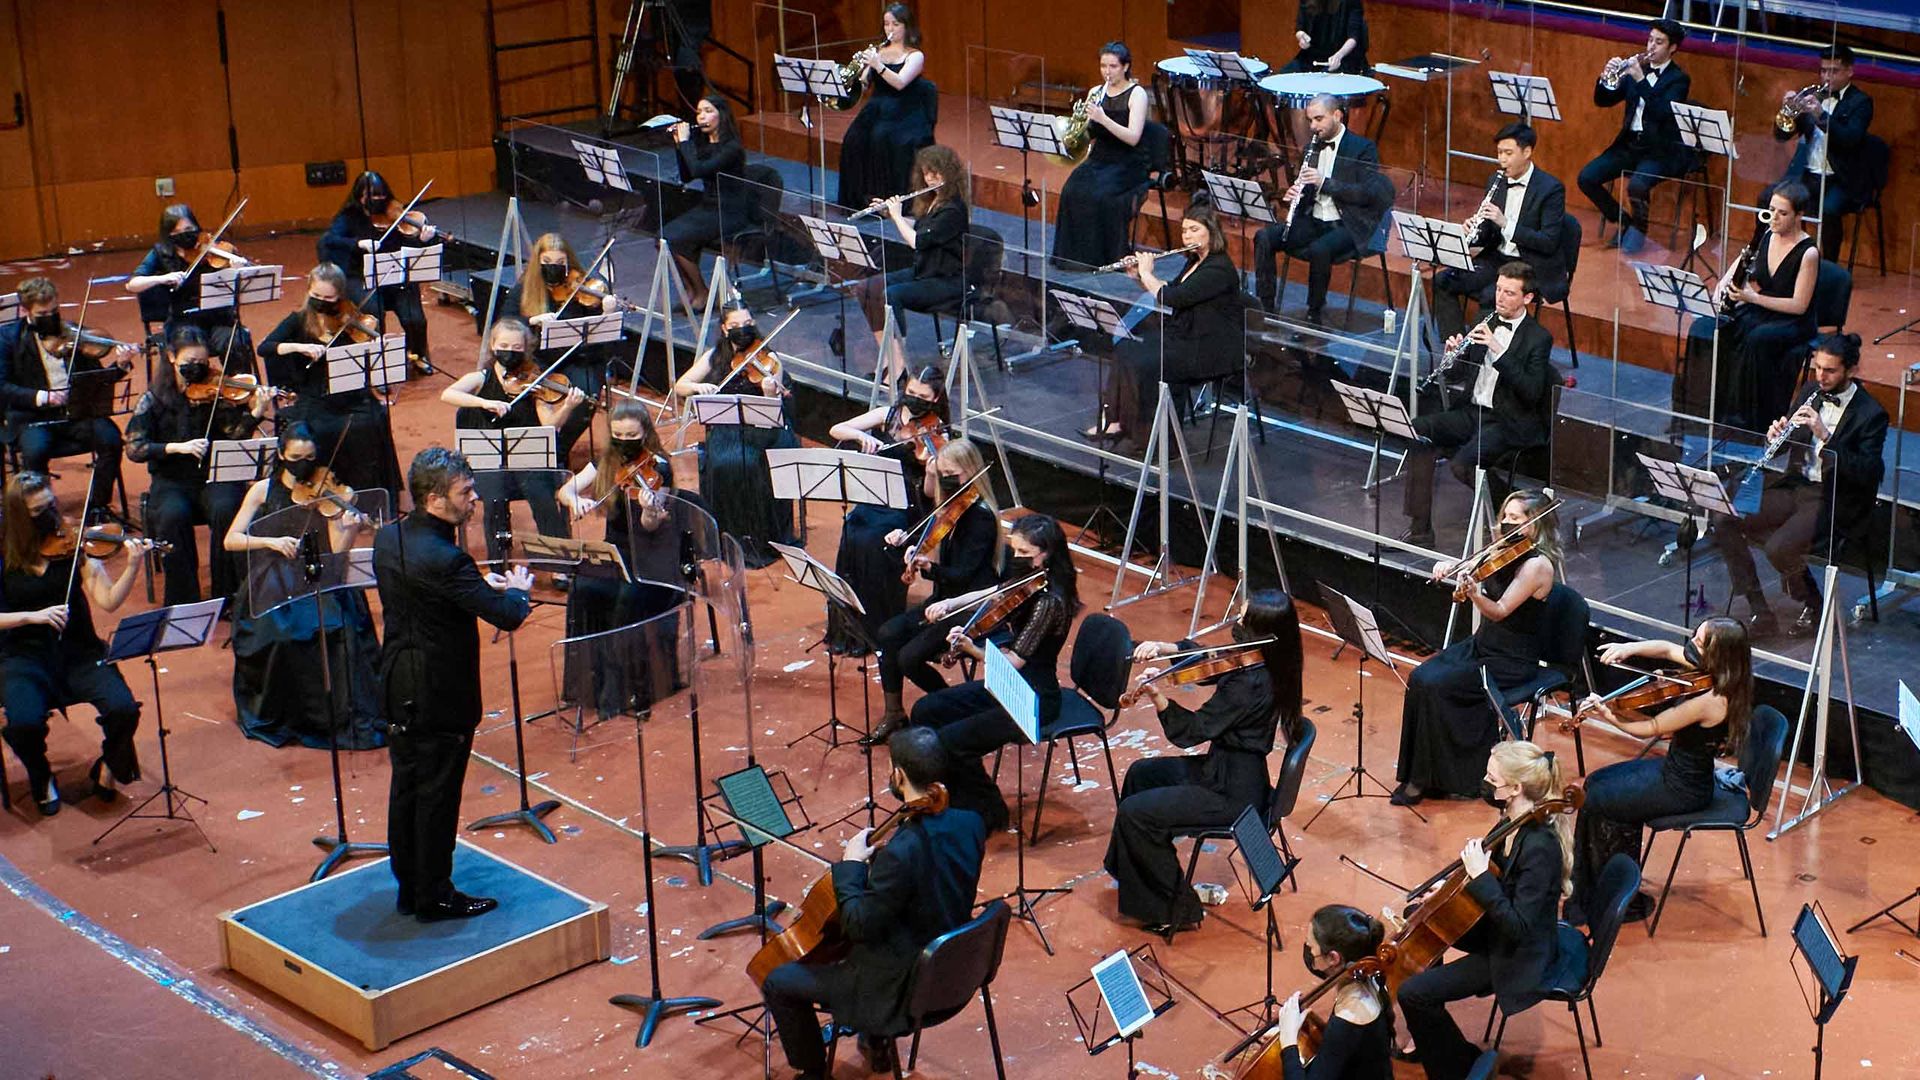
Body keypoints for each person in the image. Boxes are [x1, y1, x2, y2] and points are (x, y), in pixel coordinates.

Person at [760, 726, 986, 1080]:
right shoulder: (971, 823)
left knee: (779, 981)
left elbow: (858, 924)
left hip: (901, 990)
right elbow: (929, 879)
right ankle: (876, 1042)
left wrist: (851, 865)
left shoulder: (902, 853)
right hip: (955, 970)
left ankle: (814, 1073)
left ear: (898, 775)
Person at [375, 447, 534, 921]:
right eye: (465, 492)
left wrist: (479, 590)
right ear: (433, 499)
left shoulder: (388, 539)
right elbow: (504, 616)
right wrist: (519, 592)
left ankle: (410, 887)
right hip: (438, 693)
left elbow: (443, 597)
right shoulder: (448, 560)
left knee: (406, 790)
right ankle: (434, 895)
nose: (474, 499)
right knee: (438, 797)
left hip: (397, 681)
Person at [1104, 591, 1305, 932]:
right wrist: (1165, 647)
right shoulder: (1264, 657)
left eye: (1242, 620)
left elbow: (1193, 730)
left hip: (1232, 794)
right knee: (1141, 774)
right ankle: (1133, 872)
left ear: (1262, 631)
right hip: (1226, 768)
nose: (1235, 625)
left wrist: (1157, 697)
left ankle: (1176, 910)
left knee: (1135, 814)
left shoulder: (1251, 684)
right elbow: (1213, 660)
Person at [1393, 740, 1570, 1080]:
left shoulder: (1540, 848)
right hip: (1497, 928)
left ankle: (1458, 1067)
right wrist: (1446, 892)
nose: (1485, 783)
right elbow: (1500, 882)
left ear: (1515, 788)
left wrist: (1478, 878)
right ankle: (1431, 1036)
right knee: (1424, 916)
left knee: (1413, 994)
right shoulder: (1510, 820)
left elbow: (1518, 927)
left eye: (1492, 778)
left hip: (1517, 954)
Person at [1563, 618, 1751, 926]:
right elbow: (1665, 648)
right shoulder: (1718, 671)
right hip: (1676, 771)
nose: (1692, 646)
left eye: (1700, 643)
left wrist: (1608, 713)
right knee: (1596, 783)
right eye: (1695, 636)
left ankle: (1612, 896)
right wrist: (1628, 648)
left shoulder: (1711, 699)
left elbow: (1650, 728)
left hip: (1683, 788)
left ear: (1720, 655)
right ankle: (1595, 885)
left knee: (1598, 800)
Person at [910, 513, 1079, 831]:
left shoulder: (1050, 602)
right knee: (925, 710)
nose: (1017, 558)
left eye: (1025, 553)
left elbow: (1015, 660)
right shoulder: (1029, 578)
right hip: (1009, 682)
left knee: (949, 742)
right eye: (1014, 549)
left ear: (1047, 553)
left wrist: (970, 647)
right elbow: (992, 593)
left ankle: (986, 812)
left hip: (1032, 698)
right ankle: (964, 798)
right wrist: (951, 603)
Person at [1712, 333, 1886, 637]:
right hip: (1795, 487)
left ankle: (1816, 604)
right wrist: (1775, 436)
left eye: (1830, 370)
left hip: (1832, 497)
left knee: (1779, 547)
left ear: (1851, 370)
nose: (1821, 376)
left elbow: (1868, 472)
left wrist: (1826, 437)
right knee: (1724, 518)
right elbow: (1782, 448)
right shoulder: (1811, 390)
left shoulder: (1871, 414)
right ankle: (1759, 610)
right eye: (1817, 368)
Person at [224, 422, 385, 749]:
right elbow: (231, 539)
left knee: (340, 630)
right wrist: (270, 541)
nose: (304, 465)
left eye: (310, 457)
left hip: (320, 574)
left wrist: (351, 529)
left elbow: (338, 554)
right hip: (275, 577)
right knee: (281, 637)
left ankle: (334, 716)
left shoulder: (338, 492)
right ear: (282, 454)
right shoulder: (262, 490)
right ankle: (291, 713)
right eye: (296, 457)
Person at [0, 472, 151, 816]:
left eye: (50, 506)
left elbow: (108, 600)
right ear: (19, 517)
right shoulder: (3, 553)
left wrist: (132, 566)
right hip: (22, 657)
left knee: (123, 709)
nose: (48, 518)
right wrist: (31, 617)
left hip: (78, 653)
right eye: (37, 513)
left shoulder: (71, 543)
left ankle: (109, 765)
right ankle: (40, 775)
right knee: (22, 724)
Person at [1393, 491, 1558, 805]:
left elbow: (1499, 610)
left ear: (1534, 525)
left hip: (1511, 658)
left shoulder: (1538, 566)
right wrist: (1447, 565)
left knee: (1436, 684)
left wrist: (1473, 594)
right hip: (1483, 645)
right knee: (1420, 678)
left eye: (1516, 518)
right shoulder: (1503, 549)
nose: (1507, 523)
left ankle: (1453, 777)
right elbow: (1470, 564)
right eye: (1505, 516)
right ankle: (1426, 775)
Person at [1400, 262, 1555, 547]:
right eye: (1498, 289)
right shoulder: (1486, 318)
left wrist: (1498, 350)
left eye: (1509, 293)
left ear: (1527, 298)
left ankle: (1518, 509)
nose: (1499, 297)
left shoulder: (1538, 338)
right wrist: (1453, 355)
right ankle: (1420, 529)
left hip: (1509, 420)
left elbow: (1531, 392)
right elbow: (1458, 374)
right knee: (1418, 431)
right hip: (1472, 411)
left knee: (1462, 465)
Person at [556, 397, 694, 715]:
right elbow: (565, 490)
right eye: (619, 435)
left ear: (645, 433)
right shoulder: (605, 461)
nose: (625, 443)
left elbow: (651, 526)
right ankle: (589, 685)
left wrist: (649, 510)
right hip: (615, 552)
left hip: (652, 558)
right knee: (583, 590)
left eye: (632, 437)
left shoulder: (659, 468)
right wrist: (574, 500)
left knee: (625, 603)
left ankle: (625, 692)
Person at [125, 325, 278, 606]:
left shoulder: (214, 390)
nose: (198, 369)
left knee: (227, 507)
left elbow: (234, 433)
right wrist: (175, 448)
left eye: (203, 363)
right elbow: (135, 448)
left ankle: (229, 596)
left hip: (212, 477)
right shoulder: (153, 399)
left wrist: (256, 412)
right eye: (189, 363)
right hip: (171, 481)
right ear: (171, 357)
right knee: (172, 515)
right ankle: (185, 600)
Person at [864, 437, 1000, 742]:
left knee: (909, 658)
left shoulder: (980, 518)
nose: (946, 482)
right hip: (943, 598)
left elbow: (962, 575)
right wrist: (904, 540)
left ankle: (953, 706)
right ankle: (894, 713)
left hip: (968, 606)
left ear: (971, 471)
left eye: (952, 476)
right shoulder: (951, 505)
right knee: (887, 634)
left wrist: (928, 567)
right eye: (943, 476)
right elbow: (926, 501)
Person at [1093, 206, 1245, 450]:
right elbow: (1170, 290)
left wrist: (1147, 272)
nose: (1187, 237)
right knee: (1126, 348)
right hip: (1186, 336)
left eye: (1195, 230)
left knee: (1149, 364)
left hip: (1210, 347)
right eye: (1184, 231)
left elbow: (1173, 299)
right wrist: (1139, 277)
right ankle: (1118, 422)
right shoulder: (1196, 261)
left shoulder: (1219, 269)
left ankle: (1159, 443)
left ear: (1212, 232)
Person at [440, 317, 587, 564]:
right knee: (494, 502)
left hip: (529, 460)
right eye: (504, 346)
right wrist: (485, 402)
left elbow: (550, 425)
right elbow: (448, 394)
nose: (510, 352)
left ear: (526, 349)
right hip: (491, 463)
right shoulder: (481, 378)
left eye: (517, 348)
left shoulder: (535, 381)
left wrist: (568, 407)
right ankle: (497, 562)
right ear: (493, 345)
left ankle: (558, 562)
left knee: (542, 498)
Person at [825, 365, 950, 650]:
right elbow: (837, 429)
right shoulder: (889, 414)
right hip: (876, 495)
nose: (914, 399)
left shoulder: (940, 432)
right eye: (910, 392)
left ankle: (876, 626)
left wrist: (931, 472)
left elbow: (931, 495)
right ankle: (848, 627)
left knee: (873, 540)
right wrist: (861, 437)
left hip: (908, 506)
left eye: (922, 395)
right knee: (852, 530)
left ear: (935, 398)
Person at [257, 263, 404, 500]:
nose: (322, 302)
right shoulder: (298, 320)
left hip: (352, 394)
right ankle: (324, 489)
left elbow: (371, 367)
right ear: (308, 291)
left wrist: (378, 347)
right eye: (316, 296)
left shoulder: (352, 318)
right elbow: (265, 347)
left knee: (373, 420)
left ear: (340, 297)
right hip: (315, 396)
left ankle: (371, 494)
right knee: (323, 429)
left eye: (328, 298)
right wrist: (298, 346)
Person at [673, 303, 800, 567]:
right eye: (735, 326)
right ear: (723, 329)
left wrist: (769, 391)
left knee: (752, 465)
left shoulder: (769, 357)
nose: (743, 330)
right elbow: (680, 386)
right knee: (722, 463)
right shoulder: (714, 355)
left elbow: (776, 406)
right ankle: (725, 536)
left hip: (763, 428)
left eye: (747, 324)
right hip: (727, 425)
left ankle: (759, 536)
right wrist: (700, 386)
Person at [1685, 185, 1819, 428]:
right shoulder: (1767, 235)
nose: (1774, 218)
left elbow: (1799, 306)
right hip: (1762, 308)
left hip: (1792, 320)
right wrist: (1734, 289)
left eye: (1783, 213)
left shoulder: (1808, 252)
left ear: (1799, 216)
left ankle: (1747, 421)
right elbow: (1751, 273)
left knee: (1756, 339)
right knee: (1711, 328)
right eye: (1771, 211)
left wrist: (1751, 298)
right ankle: (1705, 408)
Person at [0, 276, 136, 511]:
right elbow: (3, 387)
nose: (51, 318)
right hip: (34, 418)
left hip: (77, 412)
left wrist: (120, 365)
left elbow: (95, 380)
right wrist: (43, 396)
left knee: (111, 440)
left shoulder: (73, 332)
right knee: (35, 453)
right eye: (43, 314)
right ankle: (44, 513)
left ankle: (97, 507)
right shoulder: (7, 339)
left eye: (54, 310)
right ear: (25, 310)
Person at [1253, 94, 1390, 324]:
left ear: (1337, 115)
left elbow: (1368, 194)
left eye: (1319, 119)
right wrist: (1296, 194)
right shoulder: (1311, 147)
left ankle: (1314, 313)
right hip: (1314, 219)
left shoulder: (1363, 148)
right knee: (1264, 237)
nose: (1313, 126)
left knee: (1319, 249)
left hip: (1348, 224)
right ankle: (1265, 307)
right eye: (1310, 121)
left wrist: (1323, 182)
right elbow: (1309, 189)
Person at [1433, 124, 1568, 342]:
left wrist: (1506, 223)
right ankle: (1455, 348)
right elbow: (1489, 232)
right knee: (1443, 280)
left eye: (1508, 153)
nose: (1502, 160)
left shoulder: (1551, 189)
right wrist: (1474, 231)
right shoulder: (1496, 181)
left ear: (1527, 152)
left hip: (1529, 264)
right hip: (1497, 258)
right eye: (1499, 153)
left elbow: (1549, 242)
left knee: (1491, 295)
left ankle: (1476, 355)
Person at [857, 144, 969, 383]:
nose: (930, 179)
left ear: (949, 173)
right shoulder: (934, 201)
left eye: (935, 173)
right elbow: (919, 228)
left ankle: (900, 366)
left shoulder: (954, 210)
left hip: (946, 281)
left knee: (892, 294)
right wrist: (889, 214)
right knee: (866, 288)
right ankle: (889, 360)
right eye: (926, 173)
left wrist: (897, 216)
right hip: (924, 272)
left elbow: (918, 242)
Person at [1577, 19, 1691, 254]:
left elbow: (1661, 112)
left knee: (1637, 185)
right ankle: (1624, 221)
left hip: (1659, 150)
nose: (1651, 46)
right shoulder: (1637, 69)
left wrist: (1640, 80)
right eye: (1650, 39)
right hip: (1630, 145)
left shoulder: (1678, 79)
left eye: (1659, 42)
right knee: (1587, 178)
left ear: (1672, 48)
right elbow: (1603, 101)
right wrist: (1605, 79)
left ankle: (1639, 227)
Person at [317, 170, 438, 377]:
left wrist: (424, 240)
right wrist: (358, 244)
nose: (379, 201)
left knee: (415, 319)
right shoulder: (349, 217)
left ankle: (418, 355)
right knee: (374, 314)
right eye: (373, 196)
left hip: (396, 275)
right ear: (361, 196)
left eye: (382, 196)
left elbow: (409, 242)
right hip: (361, 277)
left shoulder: (398, 213)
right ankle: (378, 362)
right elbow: (329, 240)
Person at [1050, 42, 1150, 271]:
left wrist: (1103, 118)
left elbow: (1133, 137)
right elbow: (1090, 133)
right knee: (1071, 189)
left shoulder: (1137, 95)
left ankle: (1099, 259)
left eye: (1113, 66)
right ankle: (1072, 258)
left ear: (1125, 67)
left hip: (1127, 162)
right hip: (1100, 158)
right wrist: (1079, 129)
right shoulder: (1096, 91)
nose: (1107, 71)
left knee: (1099, 196)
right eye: (1104, 66)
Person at [1266, 905, 1394, 1079]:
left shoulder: (1348, 1018)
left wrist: (1288, 1039)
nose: (1307, 950)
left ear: (1333, 958)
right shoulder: (1369, 979)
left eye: (1311, 946)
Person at [509, 231, 629, 415]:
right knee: (524, 397)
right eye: (547, 262)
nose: (553, 268)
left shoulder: (583, 288)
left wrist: (607, 312)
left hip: (576, 359)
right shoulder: (524, 289)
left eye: (559, 263)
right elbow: (504, 323)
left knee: (585, 394)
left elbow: (601, 337)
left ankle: (562, 442)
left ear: (568, 263)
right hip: (535, 359)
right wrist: (532, 320)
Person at [1773, 45, 1873, 263]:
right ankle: (1772, 259)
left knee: (1828, 211)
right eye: (1823, 70)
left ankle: (1828, 267)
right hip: (1808, 175)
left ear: (1849, 71)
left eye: (1834, 71)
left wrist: (1821, 115)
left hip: (1840, 178)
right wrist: (1786, 111)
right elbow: (1782, 135)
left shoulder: (1861, 103)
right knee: (1769, 198)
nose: (1827, 77)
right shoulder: (1812, 95)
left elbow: (1849, 139)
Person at [835, 3, 933, 214]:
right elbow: (864, 84)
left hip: (904, 110)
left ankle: (886, 203)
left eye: (895, 24)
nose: (890, 29)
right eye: (887, 24)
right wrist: (860, 72)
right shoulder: (879, 51)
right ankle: (859, 198)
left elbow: (900, 82)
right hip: (876, 107)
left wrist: (878, 64)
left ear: (907, 27)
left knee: (881, 137)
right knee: (853, 138)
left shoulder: (915, 55)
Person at [125, 202, 255, 351]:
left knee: (235, 343)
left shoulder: (213, 248)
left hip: (218, 317)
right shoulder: (161, 253)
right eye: (176, 231)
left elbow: (250, 276)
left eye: (188, 229)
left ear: (196, 227)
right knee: (188, 345)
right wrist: (162, 278)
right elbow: (132, 284)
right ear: (168, 234)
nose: (184, 234)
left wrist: (238, 269)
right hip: (182, 321)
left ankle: (236, 375)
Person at [664, 94, 746, 311]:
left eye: (708, 111)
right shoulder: (702, 143)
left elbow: (700, 169)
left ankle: (701, 291)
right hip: (709, 206)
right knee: (663, 239)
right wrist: (678, 147)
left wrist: (685, 143)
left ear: (722, 115)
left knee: (675, 239)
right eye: (699, 112)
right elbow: (688, 175)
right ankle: (691, 289)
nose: (701, 117)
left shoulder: (732, 148)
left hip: (730, 209)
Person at [1282, 0, 1369, 74]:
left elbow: (1353, 37)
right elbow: (1300, 28)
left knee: (1322, 83)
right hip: (1311, 56)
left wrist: (1339, 55)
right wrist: (1301, 37)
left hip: (1343, 57)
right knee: (1283, 78)